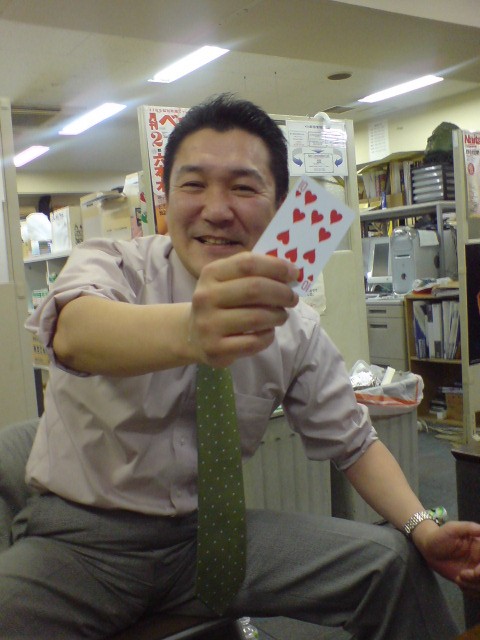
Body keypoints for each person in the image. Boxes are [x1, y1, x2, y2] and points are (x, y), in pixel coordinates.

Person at [1, 93, 480, 639]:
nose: (216, 209)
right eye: (194, 184)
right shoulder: (114, 263)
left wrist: (422, 528)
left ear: (280, 208)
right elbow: (73, 333)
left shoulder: (292, 322)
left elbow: (354, 442)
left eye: (244, 187)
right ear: (167, 199)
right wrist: (189, 331)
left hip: (212, 540)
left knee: (389, 564)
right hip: (81, 541)